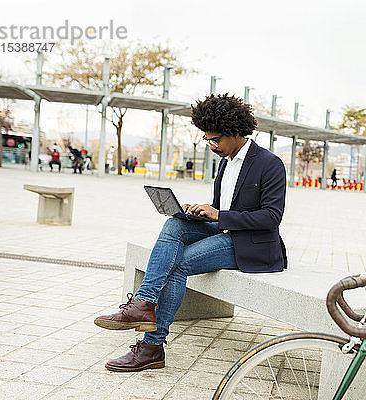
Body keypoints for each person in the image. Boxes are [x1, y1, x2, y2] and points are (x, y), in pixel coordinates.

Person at [93, 93, 288, 372]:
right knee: (175, 223)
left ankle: (152, 346)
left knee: (177, 264)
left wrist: (219, 215)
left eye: (215, 139)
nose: (211, 146)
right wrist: (203, 210)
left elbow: (271, 218)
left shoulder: (269, 164)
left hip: (251, 243)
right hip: (227, 229)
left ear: (235, 132)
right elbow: (225, 207)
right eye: (207, 140)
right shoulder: (225, 163)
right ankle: (144, 302)